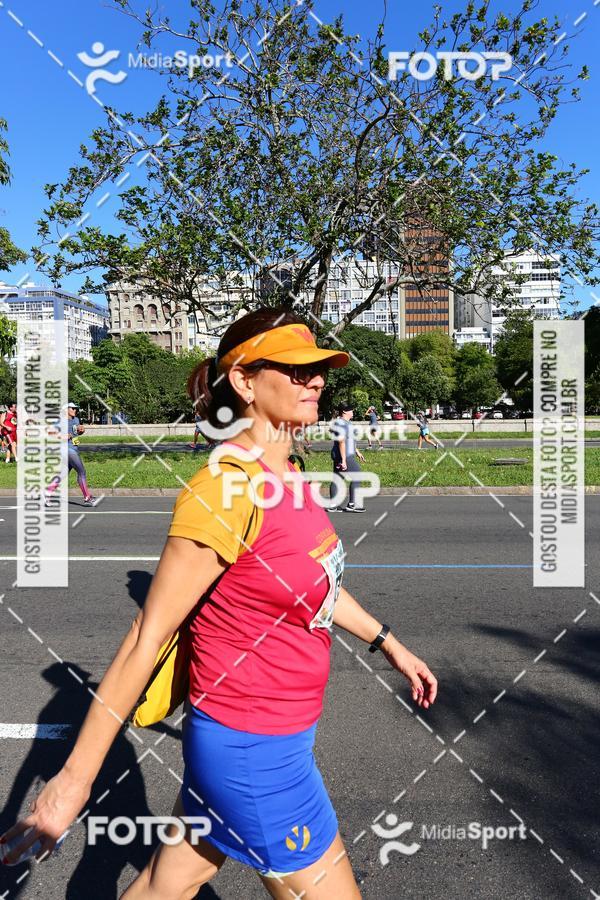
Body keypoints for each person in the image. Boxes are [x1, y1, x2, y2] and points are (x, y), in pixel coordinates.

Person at [0, 308, 438, 899]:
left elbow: (316, 587)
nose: (315, 380)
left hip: (261, 742)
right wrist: (73, 784)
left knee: (165, 885)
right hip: (256, 754)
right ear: (245, 381)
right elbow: (147, 636)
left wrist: (389, 643)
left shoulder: (286, 474)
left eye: (318, 370)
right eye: (295, 369)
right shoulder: (224, 491)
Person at [45, 402, 97, 505]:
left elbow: (76, 432)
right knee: (81, 471)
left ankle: (48, 491)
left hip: (74, 448)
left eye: (75, 408)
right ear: (66, 410)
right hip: (67, 449)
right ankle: (87, 497)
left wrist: (81, 430)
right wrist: (62, 436)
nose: (75, 410)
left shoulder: (76, 419)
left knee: (63, 473)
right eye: (72, 408)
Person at [330, 401, 366, 512]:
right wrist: (344, 460)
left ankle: (333, 506)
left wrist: (357, 452)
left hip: (344, 454)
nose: (353, 411)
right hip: (344, 455)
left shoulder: (347, 423)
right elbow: (341, 442)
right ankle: (352, 505)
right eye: (350, 409)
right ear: (344, 411)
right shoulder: (341, 424)